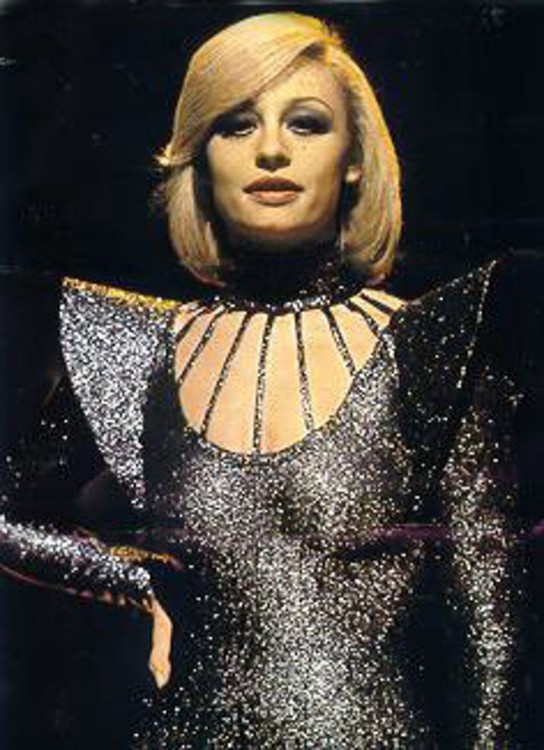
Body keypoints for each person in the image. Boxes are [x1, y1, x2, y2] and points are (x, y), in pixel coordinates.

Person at [0, 11, 542, 748]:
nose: (272, 151)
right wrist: (128, 579)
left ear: (354, 158)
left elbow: (492, 634)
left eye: (307, 123)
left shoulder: (431, 346)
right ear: (199, 159)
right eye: (236, 125)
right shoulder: (140, 349)